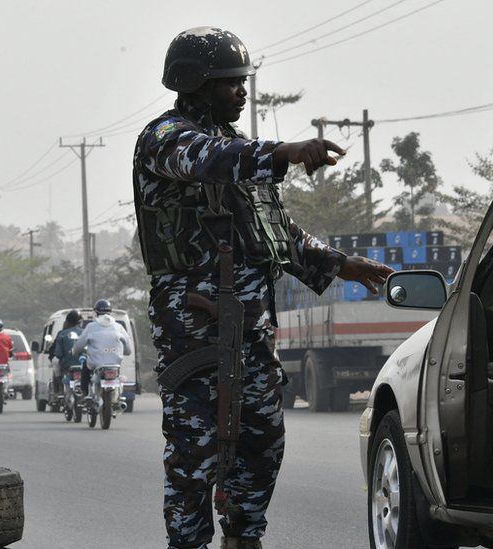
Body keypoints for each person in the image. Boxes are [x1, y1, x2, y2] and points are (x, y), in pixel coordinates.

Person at [135, 27, 393, 549]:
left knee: (263, 441)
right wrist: (286, 152)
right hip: (195, 328)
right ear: (196, 83)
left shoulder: (237, 150)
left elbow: (279, 234)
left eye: (242, 81)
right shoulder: (165, 138)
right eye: (231, 83)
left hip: (251, 328)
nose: (241, 92)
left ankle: (244, 536)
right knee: (194, 451)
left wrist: (341, 264)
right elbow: (208, 160)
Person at [72, 299, 132, 406]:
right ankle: (118, 397)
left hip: (96, 364)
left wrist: (75, 351)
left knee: (85, 367)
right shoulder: (119, 327)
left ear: (96, 312)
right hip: (115, 365)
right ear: (110, 312)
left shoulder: (91, 327)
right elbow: (128, 349)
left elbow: (79, 345)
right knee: (118, 374)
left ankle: (85, 395)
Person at [49, 309, 84, 396]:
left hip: (67, 364)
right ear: (80, 322)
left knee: (55, 362)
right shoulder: (85, 332)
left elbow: (58, 354)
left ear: (67, 322)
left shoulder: (62, 334)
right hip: (84, 363)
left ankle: (60, 387)